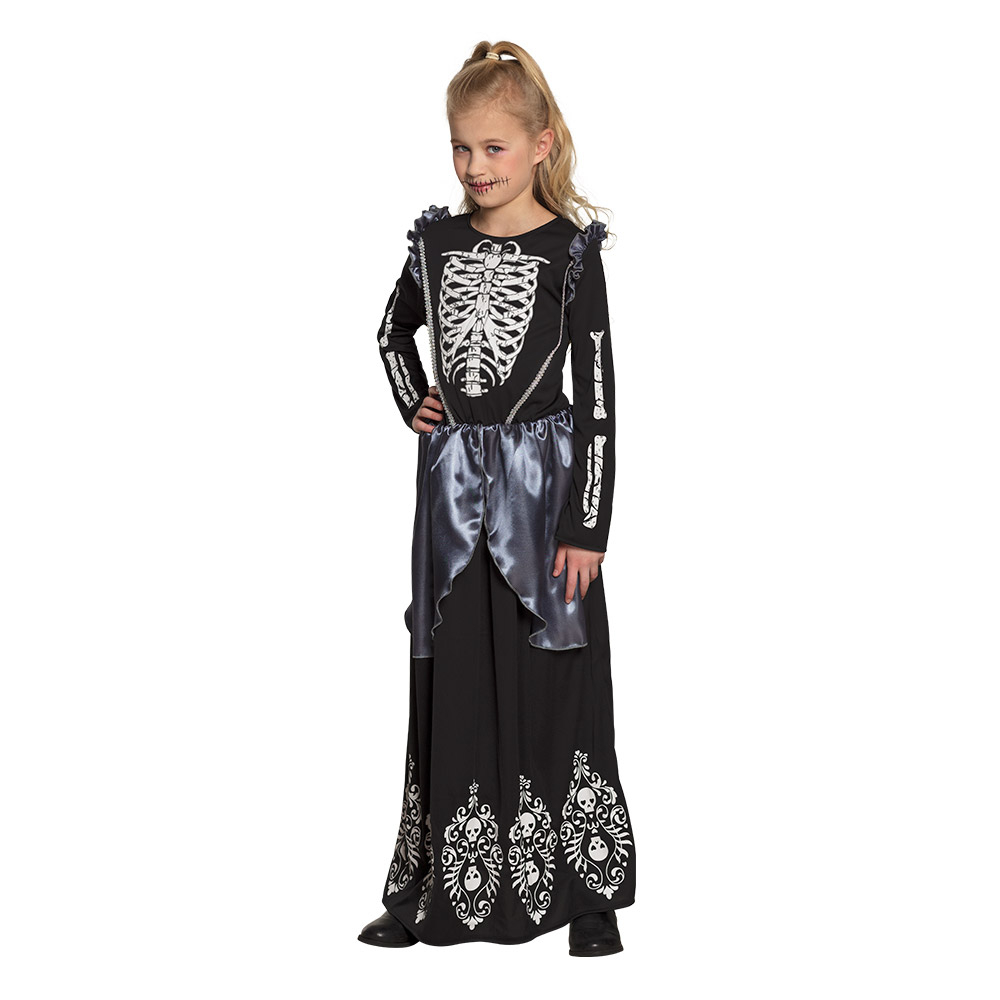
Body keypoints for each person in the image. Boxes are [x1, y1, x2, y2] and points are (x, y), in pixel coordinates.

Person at [359, 40, 636, 957]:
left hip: (544, 494)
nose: (475, 167)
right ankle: (435, 881)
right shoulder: (435, 242)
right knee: (454, 674)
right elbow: (392, 331)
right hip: (450, 494)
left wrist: (588, 522)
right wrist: (414, 398)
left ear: (540, 144)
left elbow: (598, 394)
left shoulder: (570, 251)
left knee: (558, 677)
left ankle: (586, 891)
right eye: (460, 147)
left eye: (493, 148)